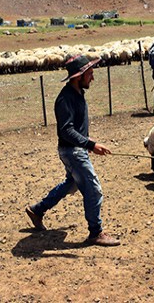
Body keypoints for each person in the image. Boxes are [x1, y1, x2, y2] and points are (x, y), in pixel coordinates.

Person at [25, 55, 120, 247]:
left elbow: (74, 128)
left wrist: (88, 142)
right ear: (79, 76)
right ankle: (96, 232)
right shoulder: (65, 99)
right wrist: (90, 145)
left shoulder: (77, 93)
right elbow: (66, 130)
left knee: (72, 184)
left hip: (75, 150)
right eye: (90, 74)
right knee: (93, 189)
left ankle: (37, 209)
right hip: (72, 152)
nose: (92, 78)